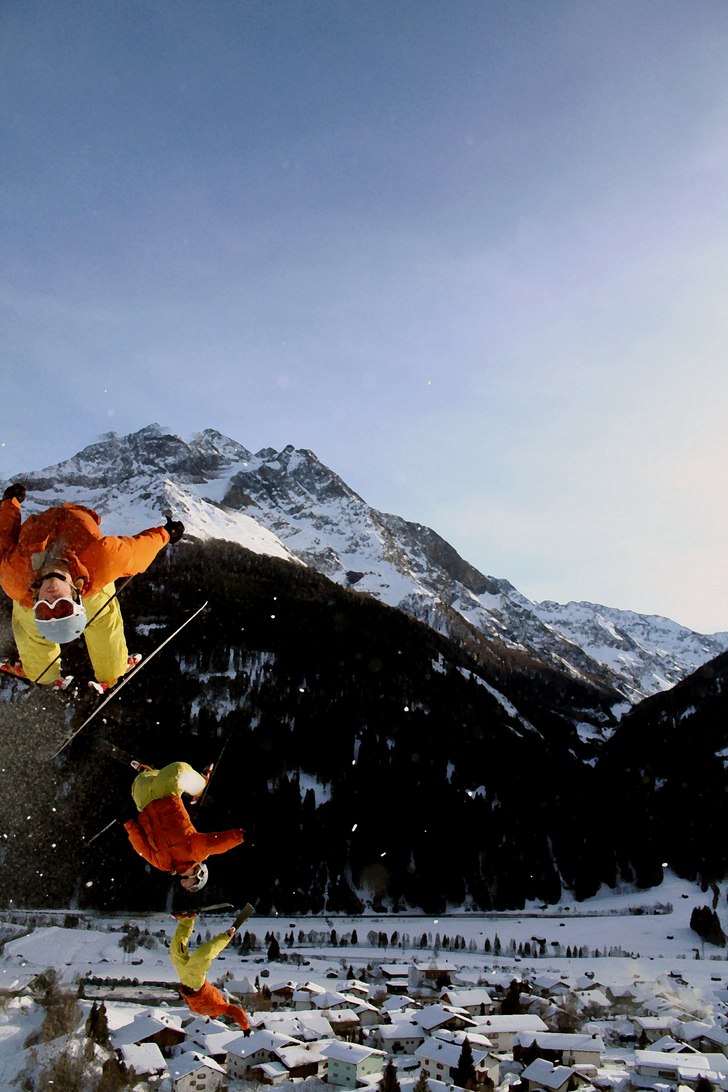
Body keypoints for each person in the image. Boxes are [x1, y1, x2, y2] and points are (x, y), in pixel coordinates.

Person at [0, 483, 184, 689]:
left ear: (37, 601)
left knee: (26, 617)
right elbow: (138, 551)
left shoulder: (16, 577)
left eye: (45, 609)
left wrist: (9, 504)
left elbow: (3, 538)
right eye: (62, 606)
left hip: (35, 558)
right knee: (103, 614)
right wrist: (166, 534)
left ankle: (40, 670)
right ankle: (112, 670)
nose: (51, 599)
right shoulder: (102, 560)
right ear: (75, 597)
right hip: (86, 569)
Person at [124, 761, 244, 891]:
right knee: (178, 769)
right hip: (165, 794)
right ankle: (199, 787)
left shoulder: (163, 864)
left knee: (139, 782)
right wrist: (242, 836)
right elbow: (217, 843)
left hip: (145, 803)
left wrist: (127, 823)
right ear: (200, 874)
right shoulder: (195, 853)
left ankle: (147, 773)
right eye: (192, 886)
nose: (187, 886)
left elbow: (141, 846)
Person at [169, 910, 250, 1031]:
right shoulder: (219, 1006)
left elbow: (234, 1011)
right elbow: (236, 1011)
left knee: (176, 951)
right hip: (196, 983)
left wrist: (245, 1027)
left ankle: (187, 920)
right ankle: (226, 937)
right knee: (202, 956)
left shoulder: (216, 1008)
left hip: (186, 981)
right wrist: (246, 1027)